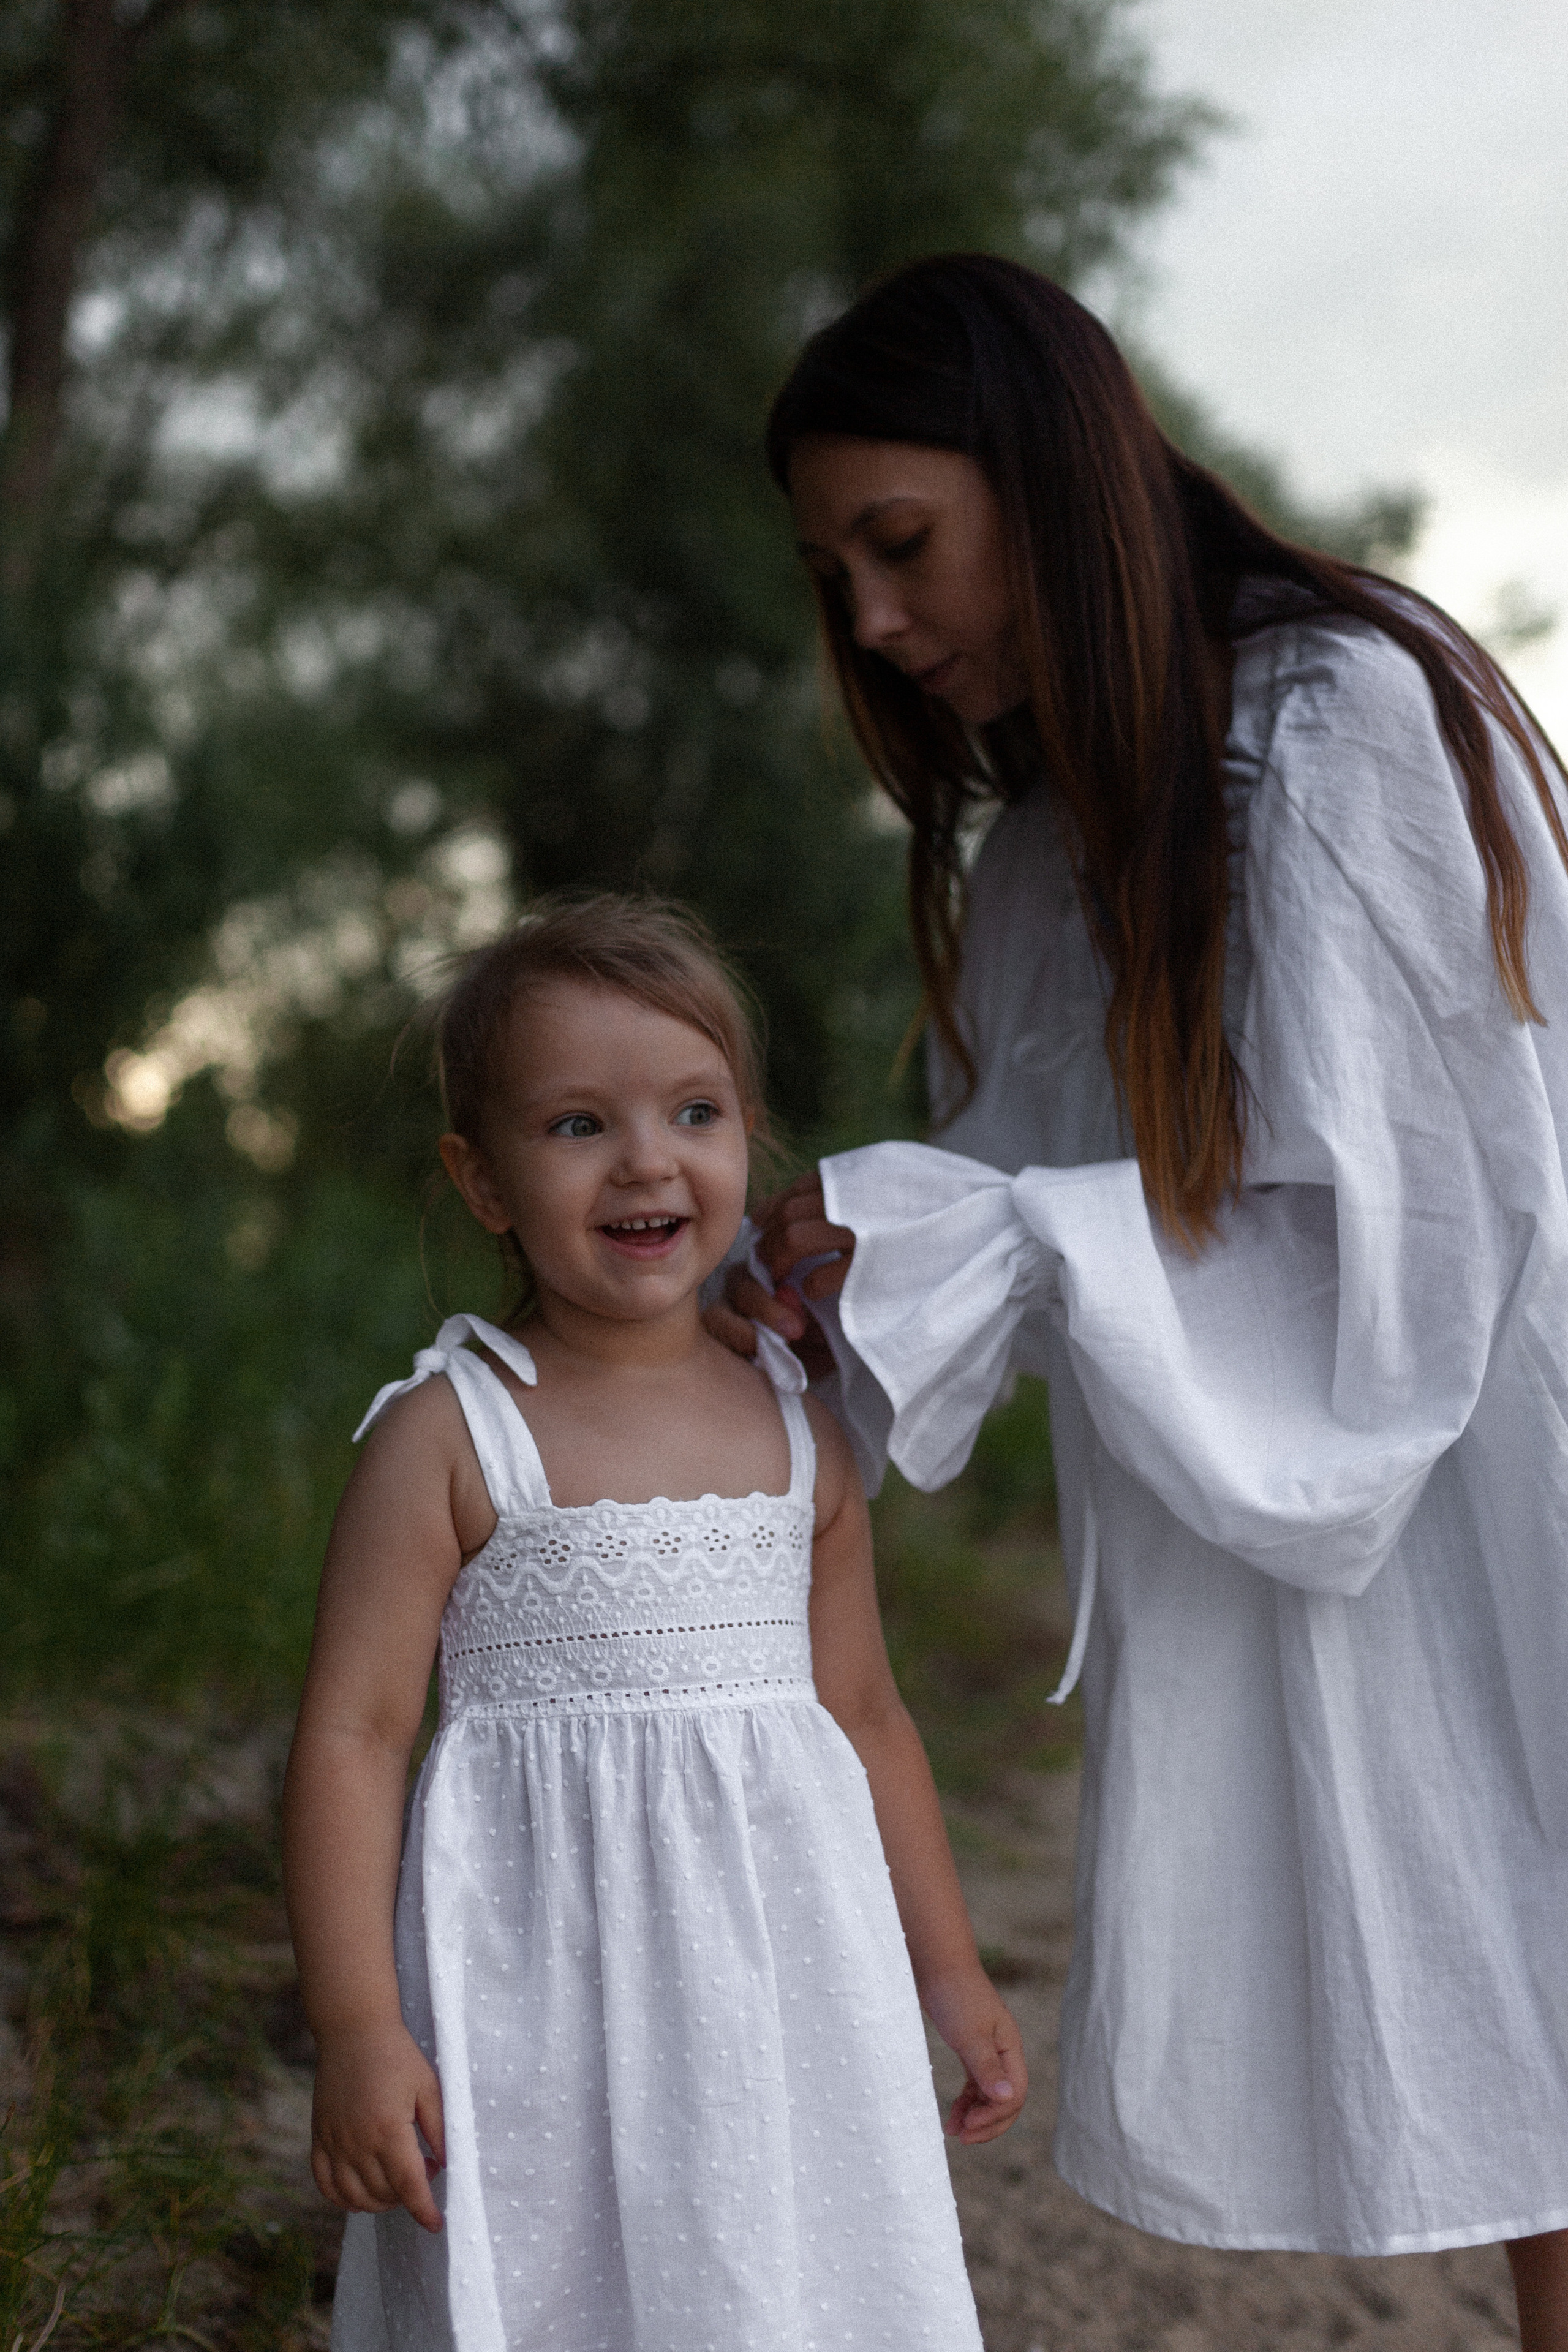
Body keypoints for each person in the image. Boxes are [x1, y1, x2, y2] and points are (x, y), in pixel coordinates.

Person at [713, 253, 1568, 2350]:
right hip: (1307, 1490)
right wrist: (805, 1282)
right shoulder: (1032, 867)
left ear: (1049, 478)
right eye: (843, 578)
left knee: (1556, 1935)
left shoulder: (1349, 718)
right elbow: (1015, 1224)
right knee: (1516, 1997)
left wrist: (973, 1235)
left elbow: (1399, 1234)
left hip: (1492, 1438)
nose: (881, 623)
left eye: (901, 545)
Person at [282, 892, 1025, 2352]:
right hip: (535, 1994)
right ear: (482, 1179)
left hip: (784, 1974)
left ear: (745, 1138)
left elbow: (865, 1715)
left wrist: (948, 1970)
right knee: (556, 2277)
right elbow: (353, 1736)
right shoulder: (450, 1436)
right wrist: (360, 2031)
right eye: (574, 1126)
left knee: (791, 2262)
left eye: (692, 1111)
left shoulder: (801, 1433)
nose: (644, 1159)